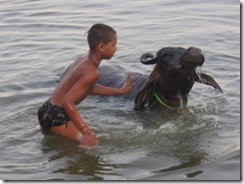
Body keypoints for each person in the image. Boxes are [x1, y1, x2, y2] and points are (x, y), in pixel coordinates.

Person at [37, 23, 134, 148]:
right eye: (113, 45)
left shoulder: (81, 60)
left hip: (46, 109)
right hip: (57, 117)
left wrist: (120, 91)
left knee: (59, 148)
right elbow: (68, 102)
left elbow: (88, 88)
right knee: (91, 145)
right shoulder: (92, 72)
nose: (116, 49)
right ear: (101, 46)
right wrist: (85, 131)